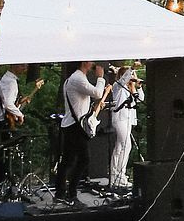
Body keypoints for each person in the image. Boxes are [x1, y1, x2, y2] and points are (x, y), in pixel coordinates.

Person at [55, 60, 103, 202]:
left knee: (68, 160)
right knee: (83, 159)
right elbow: (98, 93)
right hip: (75, 126)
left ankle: (62, 193)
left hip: (72, 124)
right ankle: (71, 192)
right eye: (90, 61)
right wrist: (100, 77)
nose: (93, 63)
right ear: (84, 63)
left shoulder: (75, 78)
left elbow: (81, 102)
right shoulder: (77, 78)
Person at [105, 65, 141, 186]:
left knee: (121, 147)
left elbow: (140, 99)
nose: (133, 78)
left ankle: (119, 175)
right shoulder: (118, 87)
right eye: (131, 75)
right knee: (125, 145)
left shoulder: (129, 89)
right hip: (120, 119)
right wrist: (131, 69)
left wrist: (137, 87)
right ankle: (117, 176)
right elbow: (123, 80)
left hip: (128, 120)